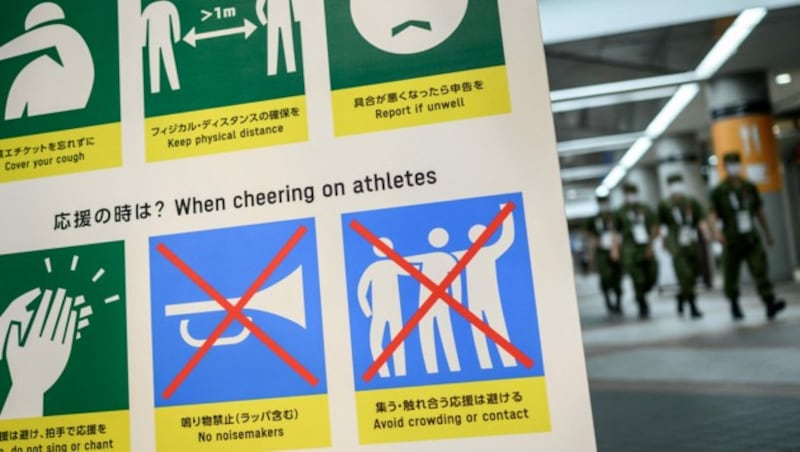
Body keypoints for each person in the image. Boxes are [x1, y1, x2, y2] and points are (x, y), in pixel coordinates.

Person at [709, 152, 786, 320]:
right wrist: (716, 233)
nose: (734, 167)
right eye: (730, 164)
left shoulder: (749, 187)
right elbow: (713, 214)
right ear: (724, 167)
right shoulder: (719, 191)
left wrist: (768, 233)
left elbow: (759, 211)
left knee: (760, 269)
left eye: (736, 163)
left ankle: (769, 302)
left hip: (751, 237)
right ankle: (734, 304)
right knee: (731, 274)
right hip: (731, 239)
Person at [658, 174, 707, 318]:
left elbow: (701, 219)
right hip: (676, 244)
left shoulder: (691, 202)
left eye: (679, 183)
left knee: (693, 274)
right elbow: (662, 226)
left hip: (691, 242)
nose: (677, 187)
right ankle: (693, 306)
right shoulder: (665, 204)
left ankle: (681, 295)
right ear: (669, 187)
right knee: (684, 274)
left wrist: (707, 234)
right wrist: (664, 242)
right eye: (674, 184)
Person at [614, 183, 659, 319]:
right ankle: (642, 303)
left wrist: (651, 245)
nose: (631, 196)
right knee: (637, 278)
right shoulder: (620, 212)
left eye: (632, 193)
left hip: (645, 247)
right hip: (630, 250)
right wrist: (615, 249)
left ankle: (643, 293)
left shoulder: (645, 209)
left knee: (652, 275)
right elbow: (616, 233)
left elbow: (654, 226)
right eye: (628, 193)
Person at [585, 194, 623, 315]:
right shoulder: (594, 219)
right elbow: (587, 233)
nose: (604, 205)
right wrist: (595, 241)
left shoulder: (616, 217)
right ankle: (607, 300)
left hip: (615, 249)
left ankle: (618, 302)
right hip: (601, 252)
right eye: (602, 203)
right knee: (605, 276)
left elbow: (623, 230)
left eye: (606, 202)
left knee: (617, 277)